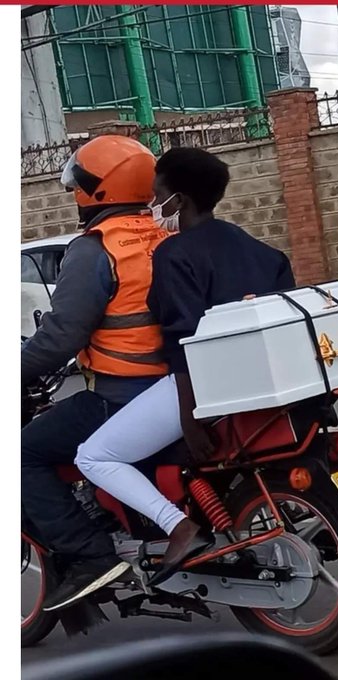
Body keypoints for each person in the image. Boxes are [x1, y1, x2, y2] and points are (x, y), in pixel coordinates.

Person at [75, 147, 296, 592]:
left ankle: (178, 527)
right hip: (265, 383)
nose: (153, 207)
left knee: (93, 455)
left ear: (179, 200)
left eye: (157, 197)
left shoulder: (175, 254)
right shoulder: (258, 248)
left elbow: (183, 342)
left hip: (207, 388)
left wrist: (190, 419)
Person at [21, 135, 189, 613]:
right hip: (177, 384)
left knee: (21, 453)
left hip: (123, 394)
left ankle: (90, 557)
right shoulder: (165, 235)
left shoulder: (96, 250)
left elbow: (58, 337)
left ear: (94, 192)